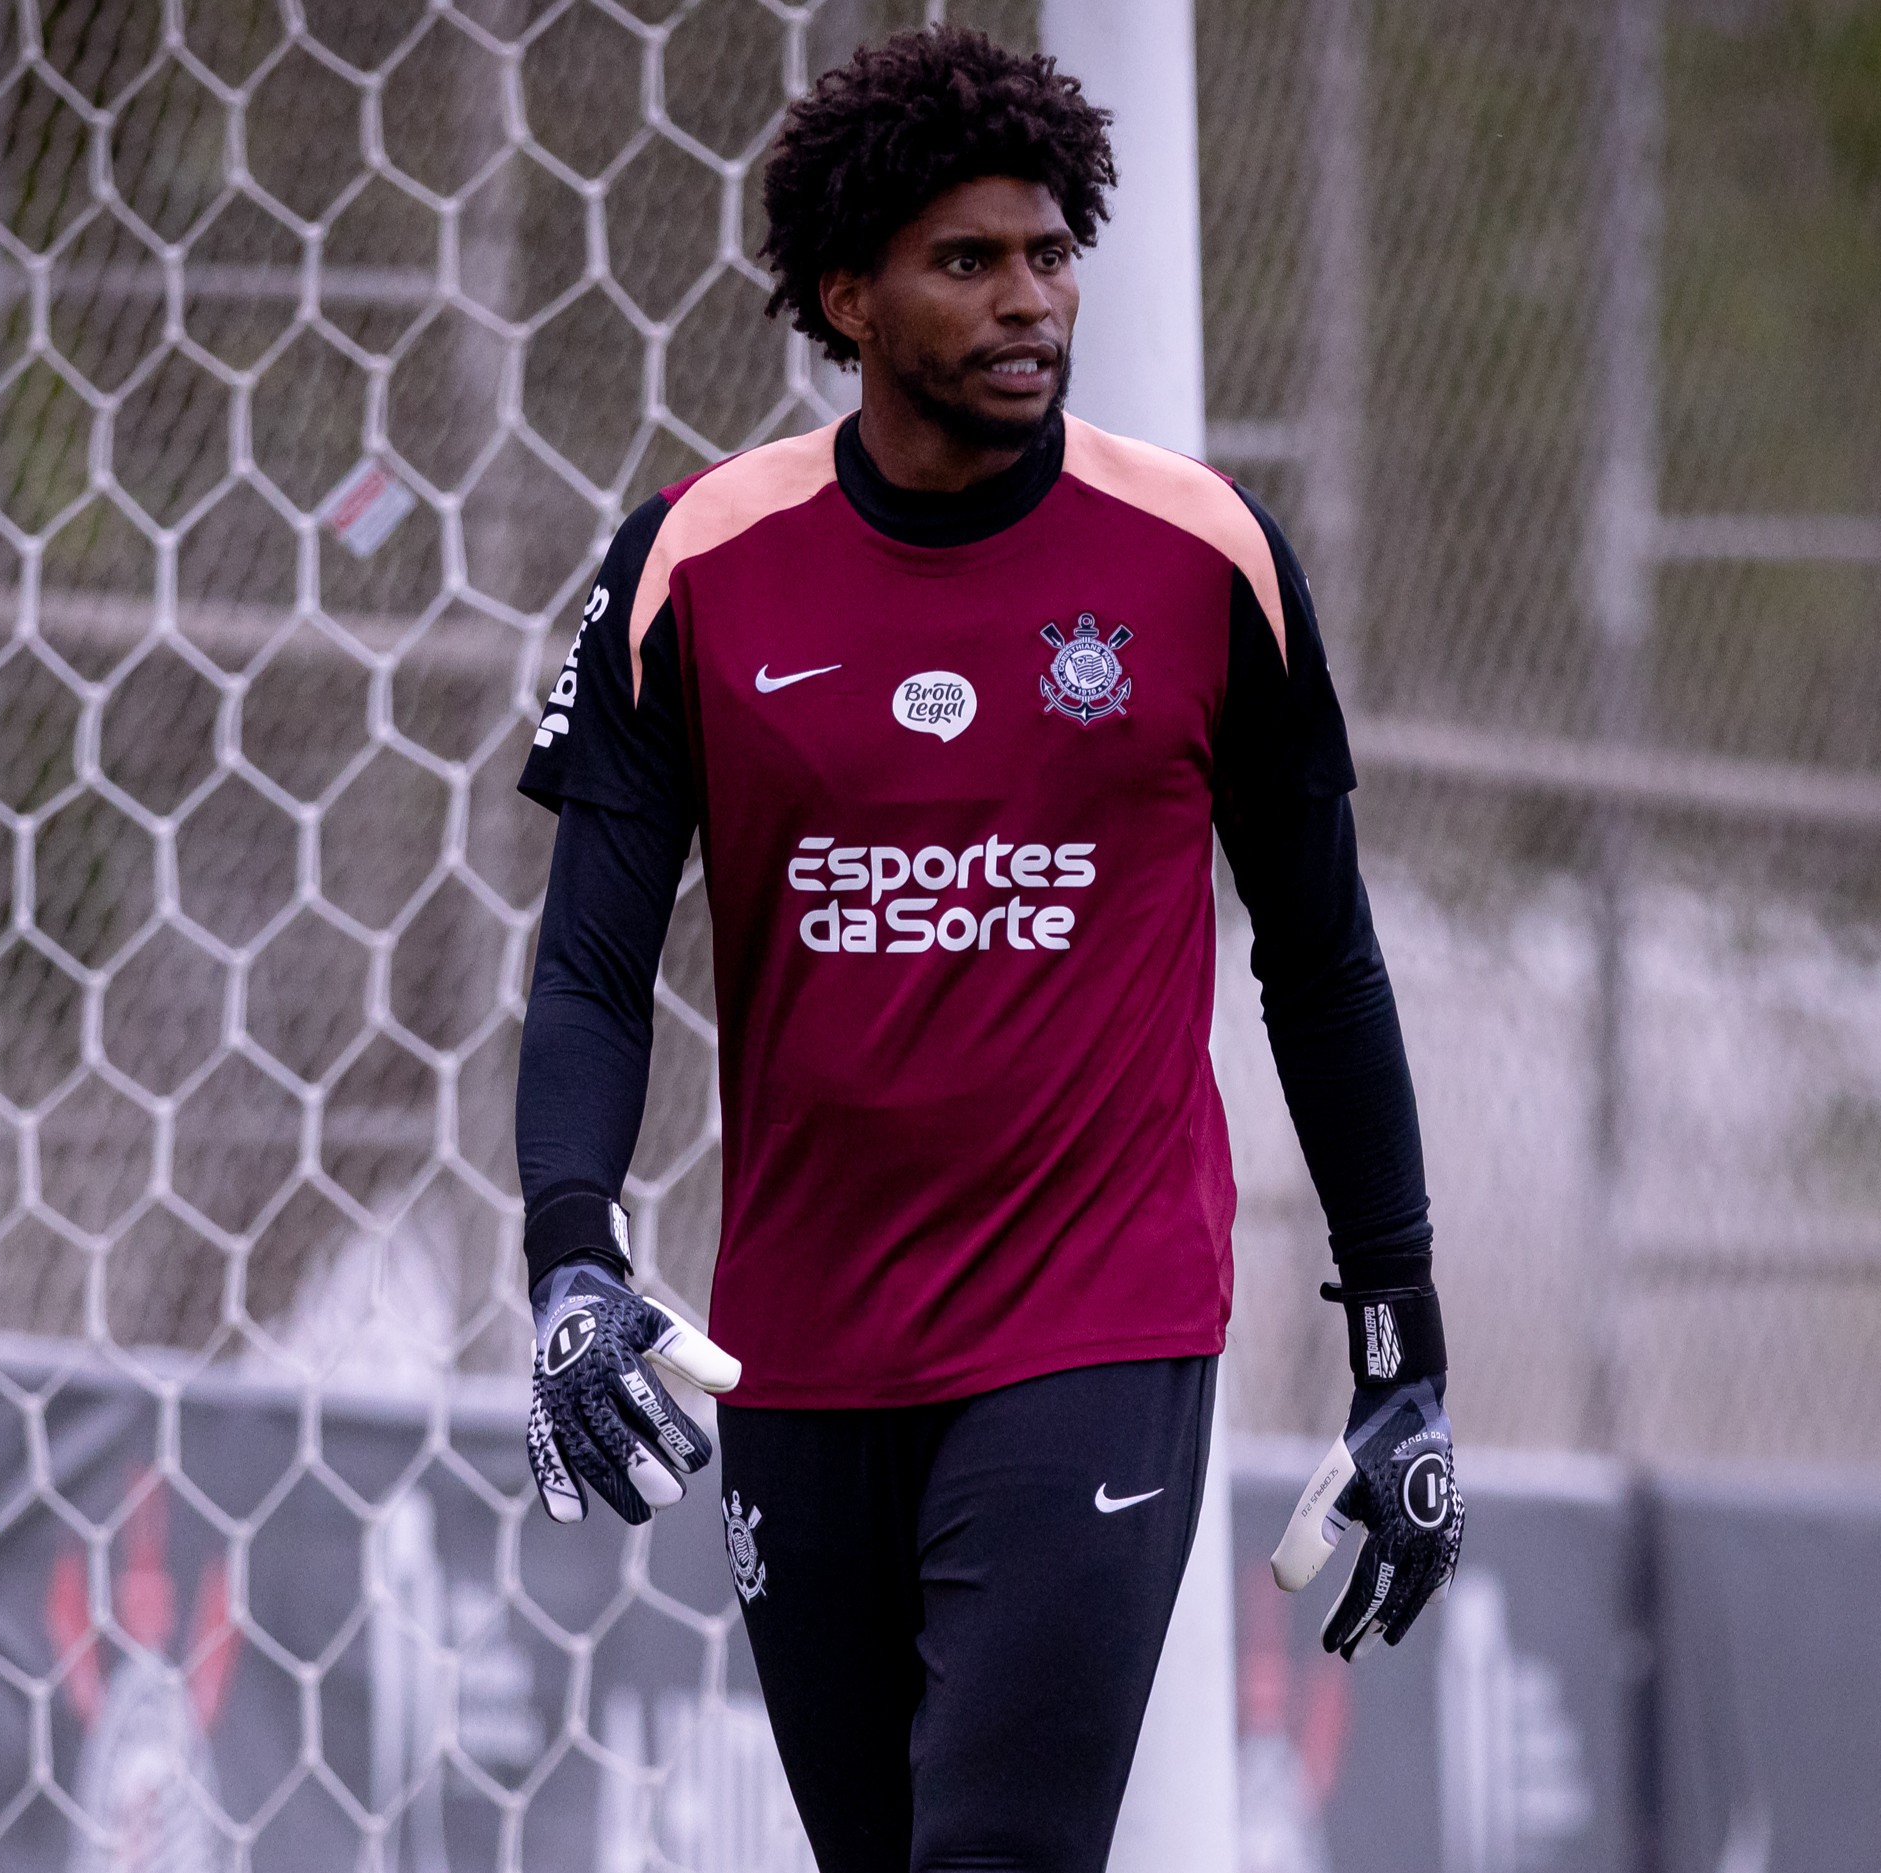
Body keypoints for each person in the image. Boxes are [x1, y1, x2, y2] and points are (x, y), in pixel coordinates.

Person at [511, 26, 1459, 1871]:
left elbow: (1324, 970)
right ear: (845, 297)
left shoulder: (1205, 561)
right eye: (969, 262)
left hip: (1090, 1321)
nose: (1030, 302)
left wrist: (1399, 1345)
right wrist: (567, 1261)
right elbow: (588, 970)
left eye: (1049, 254)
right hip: (798, 1350)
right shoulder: (687, 569)